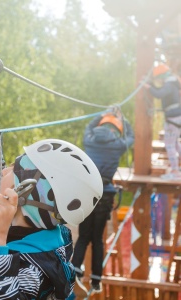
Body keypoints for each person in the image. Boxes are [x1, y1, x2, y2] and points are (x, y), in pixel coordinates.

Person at [0, 84, 104, 300]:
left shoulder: (32, 272)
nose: (3, 169)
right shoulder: (41, 233)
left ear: (23, 192)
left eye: (11, 168)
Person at [69, 112, 134, 297]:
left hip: (88, 192)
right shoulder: (118, 145)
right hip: (105, 194)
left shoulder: (90, 140)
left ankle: (75, 271)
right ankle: (96, 279)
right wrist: (123, 118)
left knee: (83, 237)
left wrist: (100, 114)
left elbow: (89, 128)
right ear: (116, 130)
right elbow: (131, 137)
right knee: (97, 239)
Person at [143, 63, 181, 180]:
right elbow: (160, 90)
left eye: (158, 78)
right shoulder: (172, 83)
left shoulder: (169, 85)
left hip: (173, 118)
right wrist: (150, 84)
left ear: (162, 76)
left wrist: (148, 87)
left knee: (169, 145)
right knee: (175, 144)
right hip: (176, 117)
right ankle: (176, 170)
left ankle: (175, 171)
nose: (158, 81)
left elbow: (159, 93)